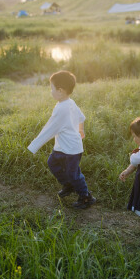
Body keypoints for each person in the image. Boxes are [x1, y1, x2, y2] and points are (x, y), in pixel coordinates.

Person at [27, 70, 96, 209]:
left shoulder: (64, 108)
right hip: (62, 146)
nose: (50, 91)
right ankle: (69, 185)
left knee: (74, 173)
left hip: (72, 149)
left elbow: (49, 130)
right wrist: (80, 128)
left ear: (60, 90)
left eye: (51, 88)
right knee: (53, 163)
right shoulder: (68, 102)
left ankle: (86, 197)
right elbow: (81, 117)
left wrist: (33, 145)